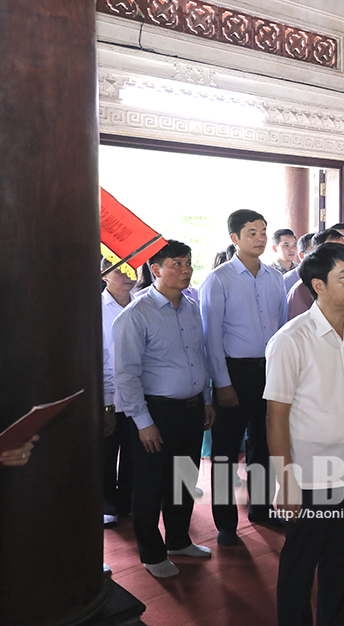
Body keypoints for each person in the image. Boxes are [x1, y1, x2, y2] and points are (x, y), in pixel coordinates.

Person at [265, 242, 344, 626]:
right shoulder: (290, 340)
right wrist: (286, 481)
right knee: (300, 564)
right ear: (319, 285)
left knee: (341, 561)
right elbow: (276, 416)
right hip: (311, 475)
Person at [113, 240, 215, 578]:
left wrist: (207, 400)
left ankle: (179, 540)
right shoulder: (135, 315)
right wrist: (143, 422)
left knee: (183, 479)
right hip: (155, 412)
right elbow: (126, 374)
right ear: (155, 270)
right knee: (150, 483)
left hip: (191, 408)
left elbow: (199, 357)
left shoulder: (190, 307)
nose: (186, 270)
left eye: (188, 263)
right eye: (177, 264)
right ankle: (152, 554)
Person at [200, 209, 287, 546]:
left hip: (269, 370)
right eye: (252, 232)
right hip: (234, 373)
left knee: (264, 445)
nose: (261, 238)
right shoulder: (219, 279)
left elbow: (281, 331)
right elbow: (211, 338)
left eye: (264, 231)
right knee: (224, 449)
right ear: (234, 238)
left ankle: (262, 508)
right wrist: (222, 383)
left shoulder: (274, 278)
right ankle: (225, 522)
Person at [101, 259, 137, 526]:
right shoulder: (96, 308)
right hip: (109, 396)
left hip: (138, 394)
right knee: (106, 452)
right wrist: (105, 405)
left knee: (135, 453)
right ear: (103, 274)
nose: (127, 275)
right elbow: (100, 359)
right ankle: (106, 503)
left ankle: (128, 501)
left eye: (130, 269)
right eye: (119, 270)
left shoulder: (143, 305)